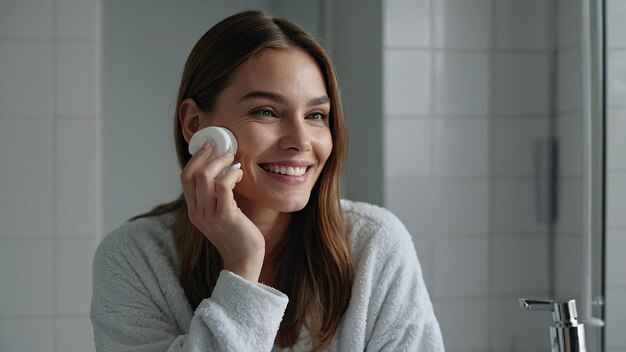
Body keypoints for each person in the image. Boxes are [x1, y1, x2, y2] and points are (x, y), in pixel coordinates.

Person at [90, 10, 444, 352]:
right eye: (266, 112)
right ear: (195, 124)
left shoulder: (375, 247)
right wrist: (243, 266)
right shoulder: (134, 260)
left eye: (316, 115)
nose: (301, 141)